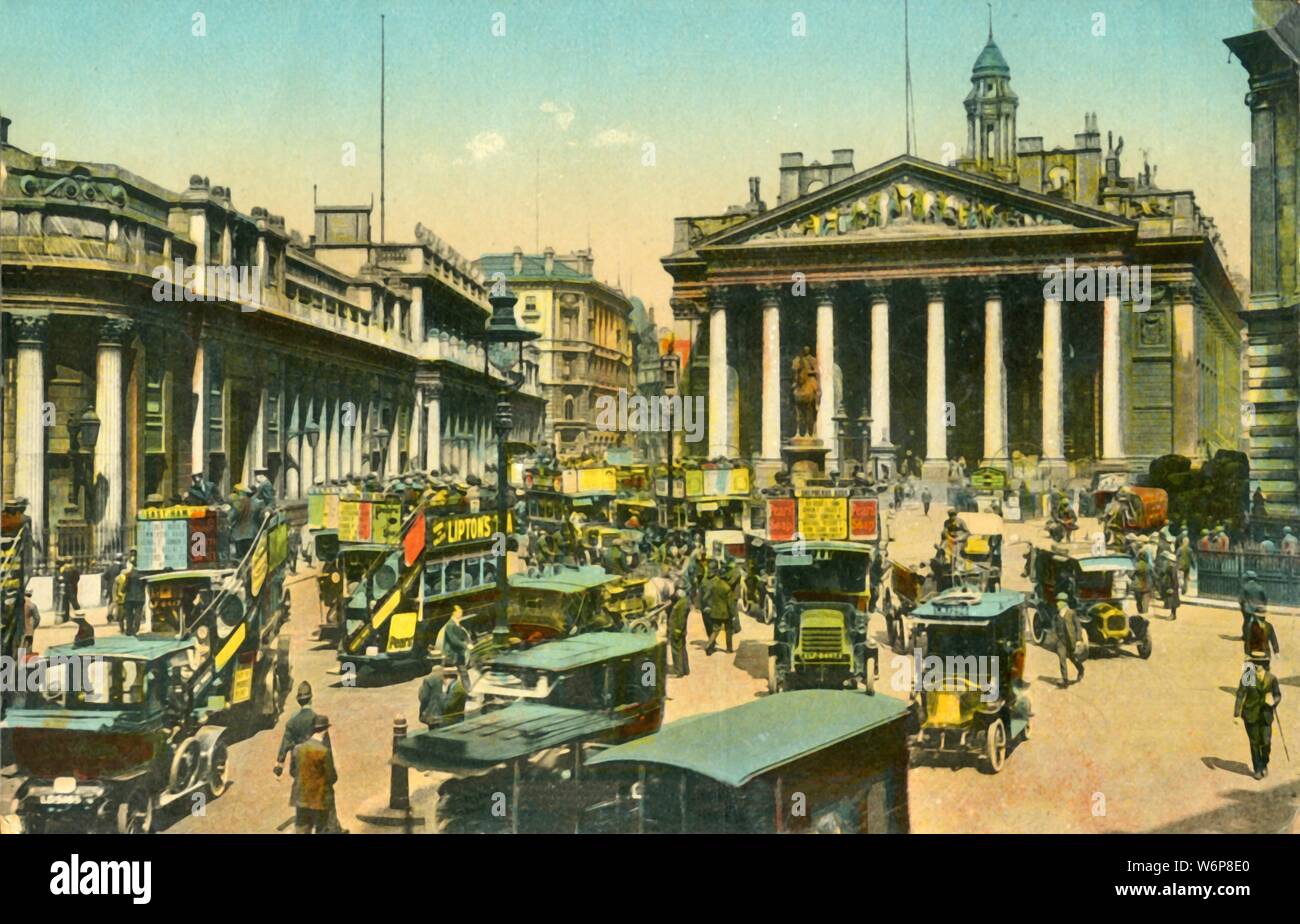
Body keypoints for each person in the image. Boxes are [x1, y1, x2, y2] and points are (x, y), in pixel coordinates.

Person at [1234, 656, 1282, 780]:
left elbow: (1277, 695)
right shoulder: (1248, 676)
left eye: (1260, 662)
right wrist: (1236, 714)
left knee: (1266, 741)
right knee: (1254, 742)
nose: (1257, 665)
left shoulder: (1271, 678)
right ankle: (1257, 768)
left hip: (1266, 714)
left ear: (1265, 664)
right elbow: (1240, 694)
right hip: (1250, 714)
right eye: (1255, 662)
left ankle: (1264, 763)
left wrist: (1274, 701)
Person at [290, 715, 337, 834]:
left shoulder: (297, 749)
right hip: (319, 798)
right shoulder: (324, 751)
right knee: (321, 828)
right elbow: (332, 777)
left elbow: (293, 772)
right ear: (325, 731)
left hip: (301, 797)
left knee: (301, 829)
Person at [275, 681, 318, 774]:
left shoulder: (292, 721)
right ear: (311, 699)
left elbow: (285, 743)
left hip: (297, 764)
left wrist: (279, 765)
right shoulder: (317, 719)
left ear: (298, 701)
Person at [1053, 592, 1085, 687]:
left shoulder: (1071, 613)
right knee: (1062, 659)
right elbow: (1055, 626)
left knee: (1073, 658)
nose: (1058, 604)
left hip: (1071, 640)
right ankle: (1065, 680)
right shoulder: (1057, 614)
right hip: (1061, 641)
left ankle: (1081, 669)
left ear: (1065, 603)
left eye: (1060, 602)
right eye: (1057, 601)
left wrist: (1078, 639)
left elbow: (1078, 627)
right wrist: (1056, 636)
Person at [437, 604, 473, 686]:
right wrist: (466, 645)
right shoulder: (450, 625)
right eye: (459, 612)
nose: (461, 613)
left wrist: (469, 642)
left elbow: (464, 636)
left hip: (458, 654)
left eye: (461, 612)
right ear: (454, 613)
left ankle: (467, 690)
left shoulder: (458, 624)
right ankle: (455, 691)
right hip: (451, 654)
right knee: (453, 675)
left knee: (463, 673)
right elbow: (454, 640)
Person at [703, 569, 735, 655]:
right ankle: (729, 649)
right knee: (728, 630)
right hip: (726, 613)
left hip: (714, 612)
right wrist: (733, 614)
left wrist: (710, 605)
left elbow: (705, 598)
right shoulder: (727, 588)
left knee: (715, 630)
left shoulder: (713, 585)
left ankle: (708, 644)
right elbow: (730, 603)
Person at [119, 550, 146, 635]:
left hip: (129, 597)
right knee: (138, 614)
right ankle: (136, 629)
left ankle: (129, 630)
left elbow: (126, 584)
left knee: (129, 615)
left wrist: (122, 590)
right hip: (140, 597)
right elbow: (144, 585)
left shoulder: (129, 574)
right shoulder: (143, 575)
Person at [667, 585, 691, 677]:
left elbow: (681, 619)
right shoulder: (683, 602)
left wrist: (677, 631)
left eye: (677, 591)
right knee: (682, 650)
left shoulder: (682, 604)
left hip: (677, 630)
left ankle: (678, 672)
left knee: (676, 651)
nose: (675, 593)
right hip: (679, 630)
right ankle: (685, 669)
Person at [1239, 571, 1268, 645]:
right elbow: (1265, 598)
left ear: (1247, 578)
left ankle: (1245, 637)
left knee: (1246, 621)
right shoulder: (1260, 587)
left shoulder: (1245, 587)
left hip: (1248, 608)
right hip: (1259, 607)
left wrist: (1242, 607)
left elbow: (1241, 599)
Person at [57, 557, 81, 624]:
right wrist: (74, 583)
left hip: (66, 587)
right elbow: (78, 577)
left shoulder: (63, 569)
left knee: (66, 602)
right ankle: (79, 616)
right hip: (73, 586)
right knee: (74, 601)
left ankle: (66, 617)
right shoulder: (74, 568)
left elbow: (61, 578)